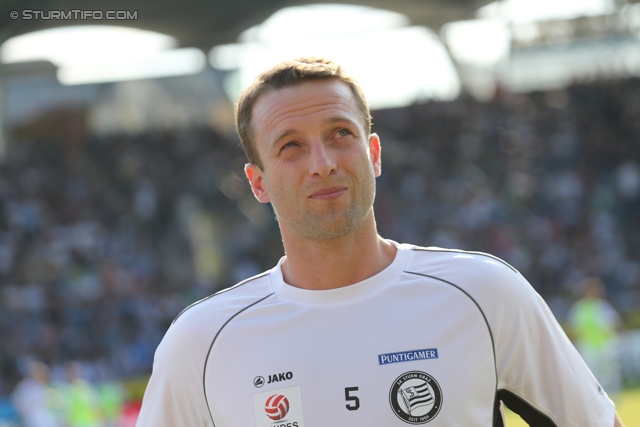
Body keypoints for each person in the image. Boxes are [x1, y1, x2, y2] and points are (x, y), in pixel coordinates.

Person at [136, 57, 625, 426]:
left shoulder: (486, 294)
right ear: (257, 182)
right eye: (291, 146)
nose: (323, 161)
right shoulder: (200, 342)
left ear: (373, 153)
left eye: (340, 133)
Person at [567, 277, 624, 398]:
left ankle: (609, 400)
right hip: (590, 349)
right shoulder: (581, 308)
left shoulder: (600, 306)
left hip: (605, 347)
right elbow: (574, 330)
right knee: (595, 378)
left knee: (608, 377)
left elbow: (615, 323)